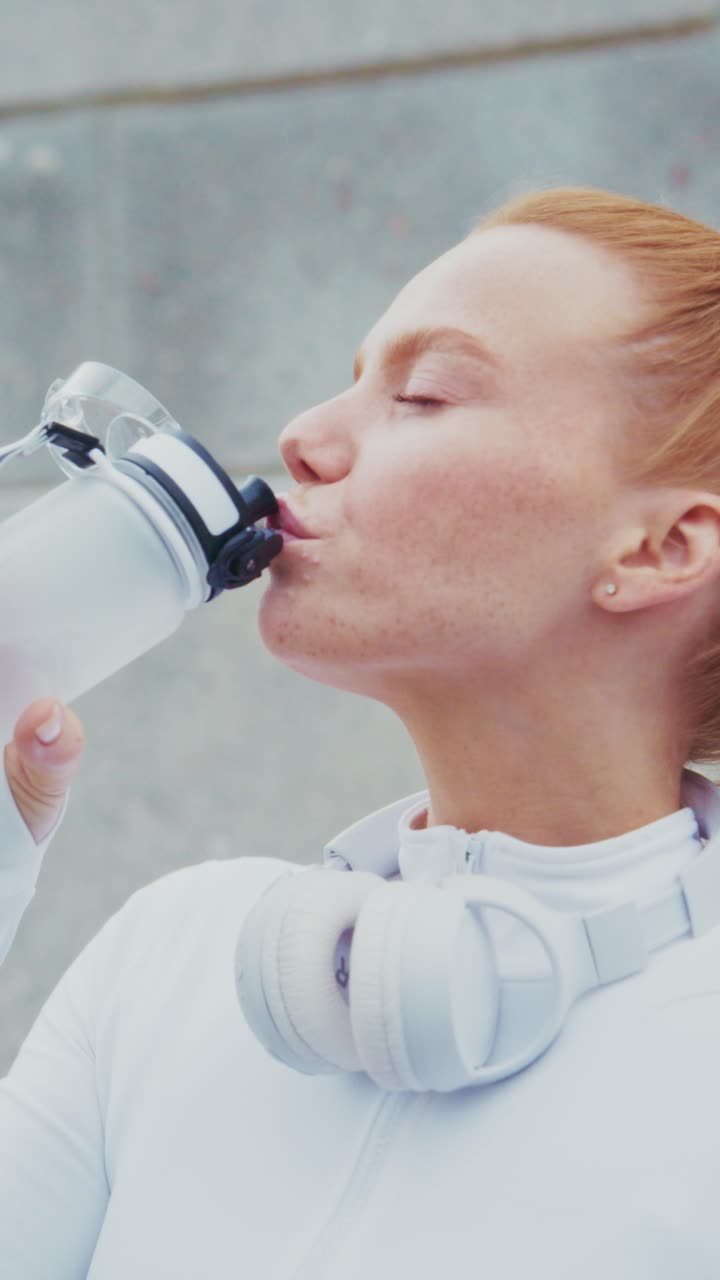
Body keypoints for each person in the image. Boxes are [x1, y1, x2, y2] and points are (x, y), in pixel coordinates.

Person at [2, 186, 720, 1278]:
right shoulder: (172, 958)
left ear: (663, 547)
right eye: (350, 379)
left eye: (424, 393)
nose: (302, 434)